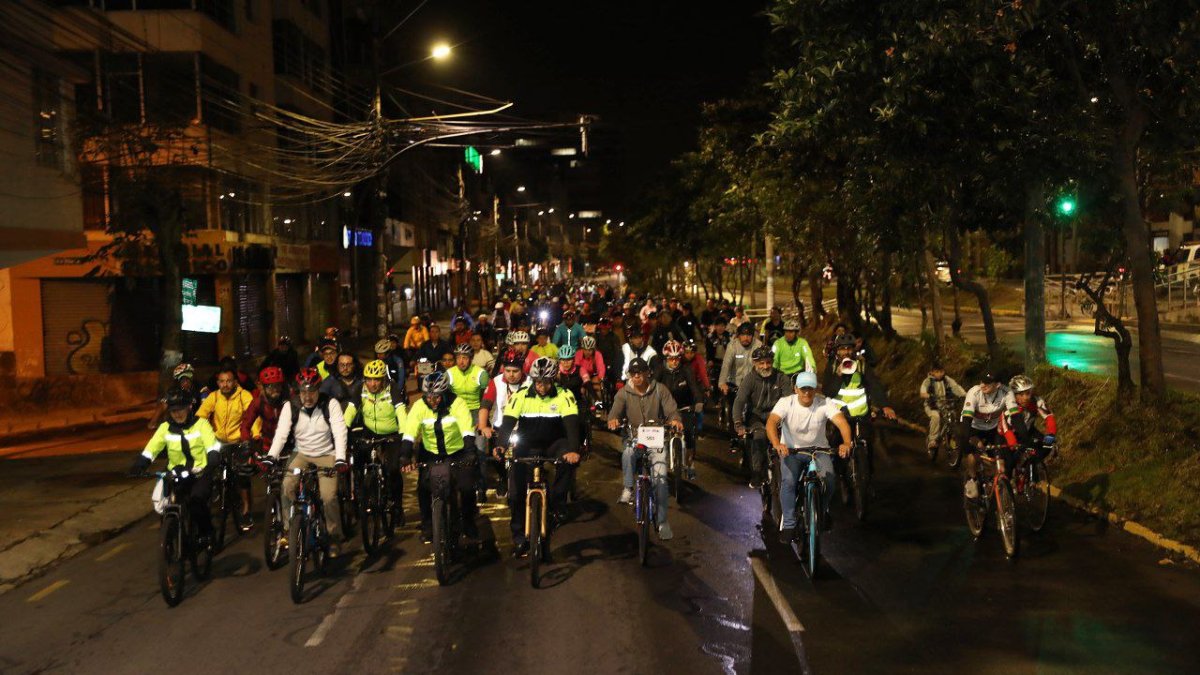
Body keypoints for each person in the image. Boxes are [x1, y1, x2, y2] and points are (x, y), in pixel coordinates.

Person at [496, 357, 582, 557]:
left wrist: (573, 450)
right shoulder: (520, 396)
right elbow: (507, 424)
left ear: (553, 380)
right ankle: (519, 538)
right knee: (516, 493)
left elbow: (571, 426)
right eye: (538, 382)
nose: (542, 387)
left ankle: (557, 502)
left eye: (546, 382)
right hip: (528, 445)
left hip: (554, 444)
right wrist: (500, 446)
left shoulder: (564, 395)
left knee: (568, 462)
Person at [261, 368, 348, 556]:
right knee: (286, 486)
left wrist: (340, 458)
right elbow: (281, 434)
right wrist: (271, 457)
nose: (307, 397)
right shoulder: (290, 406)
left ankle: (334, 536)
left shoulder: (330, 404)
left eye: (312, 392)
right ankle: (288, 529)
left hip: (326, 454)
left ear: (318, 389)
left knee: (328, 496)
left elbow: (340, 431)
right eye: (303, 392)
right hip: (301, 453)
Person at [765, 371, 853, 543]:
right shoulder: (786, 403)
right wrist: (777, 444)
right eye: (803, 388)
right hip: (792, 451)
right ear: (796, 389)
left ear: (815, 389)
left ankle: (823, 510)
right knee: (789, 482)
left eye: (810, 388)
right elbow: (771, 422)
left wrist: (847, 443)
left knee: (829, 481)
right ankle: (789, 524)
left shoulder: (824, 403)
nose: (807, 392)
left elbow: (841, 422)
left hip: (819, 451)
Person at [129, 387, 220, 548]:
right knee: (166, 503)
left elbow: (211, 445)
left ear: (190, 407)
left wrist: (212, 458)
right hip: (176, 472)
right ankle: (170, 535)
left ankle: (207, 533)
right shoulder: (165, 428)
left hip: (200, 472)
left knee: (197, 501)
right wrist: (140, 464)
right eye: (173, 410)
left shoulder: (201, 424)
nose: (177, 414)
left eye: (181, 409)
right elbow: (152, 449)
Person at [607, 357, 684, 540]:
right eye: (633, 374)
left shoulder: (660, 390)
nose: (636, 377)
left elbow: (672, 410)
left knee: (661, 481)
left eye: (640, 373)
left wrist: (675, 420)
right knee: (627, 452)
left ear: (647, 373)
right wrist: (613, 419)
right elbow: (614, 411)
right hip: (634, 438)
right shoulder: (623, 393)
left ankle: (663, 521)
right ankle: (628, 488)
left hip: (656, 440)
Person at [401, 372, 480, 543]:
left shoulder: (457, 403)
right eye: (428, 396)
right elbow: (409, 432)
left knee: (466, 487)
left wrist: (469, 452)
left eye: (436, 396)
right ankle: (428, 525)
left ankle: (468, 522)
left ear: (444, 393)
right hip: (430, 453)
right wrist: (405, 455)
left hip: (458, 452)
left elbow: (467, 429)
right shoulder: (419, 406)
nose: (432, 401)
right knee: (423, 488)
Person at [821, 333, 895, 481]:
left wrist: (885, 406)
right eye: (842, 349)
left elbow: (874, 385)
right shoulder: (832, 366)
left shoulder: (862, 365)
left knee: (868, 444)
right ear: (837, 351)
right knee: (836, 445)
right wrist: (838, 375)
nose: (846, 352)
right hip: (840, 416)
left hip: (861, 414)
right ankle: (841, 478)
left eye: (849, 349)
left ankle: (869, 476)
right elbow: (828, 391)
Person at [345, 359, 408, 522]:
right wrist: (343, 429)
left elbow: (401, 411)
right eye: (369, 379)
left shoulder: (391, 388)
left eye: (377, 379)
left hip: (391, 433)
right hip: (370, 432)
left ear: (383, 380)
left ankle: (397, 505)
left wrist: (403, 434)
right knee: (357, 461)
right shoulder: (360, 388)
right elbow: (351, 410)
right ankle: (362, 495)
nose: (372, 384)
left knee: (393, 469)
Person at [197, 364, 258, 531]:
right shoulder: (214, 397)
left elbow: (253, 416)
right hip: (218, 441)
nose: (225, 385)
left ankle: (246, 509)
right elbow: (201, 416)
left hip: (238, 441)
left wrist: (254, 435)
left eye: (229, 381)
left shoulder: (243, 396)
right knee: (207, 471)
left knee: (241, 476)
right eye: (222, 381)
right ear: (217, 382)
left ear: (235, 382)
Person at [734, 347, 794, 497]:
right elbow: (739, 401)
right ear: (755, 363)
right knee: (759, 437)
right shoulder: (749, 379)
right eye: (761, 363)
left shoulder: (782, 378)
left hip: (777, 417)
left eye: (768, 362)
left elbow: (790, 400)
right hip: (756, 417)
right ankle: (757, 474)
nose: (765, 366)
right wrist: (738, 423)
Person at [479, 349, 528, 498]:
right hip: (501, 428)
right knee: (496, 456)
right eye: (508, 371)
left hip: (523, 428)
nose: (511, 375)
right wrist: (483, 426)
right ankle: (502, 478)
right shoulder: (496, 382)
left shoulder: (531, 382)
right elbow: (485, 406)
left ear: (522, 369)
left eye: (515, 371)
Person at [446, 343, 490, 501]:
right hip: (456, 413)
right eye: (458, 358)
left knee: (479, 450)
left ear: (471, 359)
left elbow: (486, 399)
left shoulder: (480, 374)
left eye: (464, 358)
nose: (461, 361)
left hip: (476, 413)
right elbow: (445, 398)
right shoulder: (449, 374)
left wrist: (483, 420)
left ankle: (481, 487)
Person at [655, 341, 704, 480]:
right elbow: (651, 389)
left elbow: (694, 387)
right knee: (657, 436)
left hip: (684, 407)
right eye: (671, 358)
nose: (674, 361)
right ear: (666, 358)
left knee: (689, 434)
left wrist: (699, 401)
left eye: (677, 358)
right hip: (664, 410)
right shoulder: (659, 370)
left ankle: (689, 464)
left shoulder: (686, 369)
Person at [960, 371, 1011, 500]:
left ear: (998, 384)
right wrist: (966, 442)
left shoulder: (1006, 392)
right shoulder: (974, 392)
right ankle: (972, 479)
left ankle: (994, 485)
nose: (982, 385)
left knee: (999, 463)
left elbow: (1015, 416)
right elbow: (966, 419)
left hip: (992, 429)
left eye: (987, 383)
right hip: (973, 428)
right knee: (976, 452)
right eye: (981, 382)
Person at [999, 374, 1057, 461]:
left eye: (1028, 393)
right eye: (1021, 395)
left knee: (1047, 446)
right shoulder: (1008, 406)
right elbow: (1006, 429)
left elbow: (1049, 417)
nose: (1025, 398)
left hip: (1029, 431)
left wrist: (1051, 434)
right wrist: (1014, 445)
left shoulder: (1036, 401)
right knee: (1010, 464)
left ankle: (1034, 466)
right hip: (1008, 435)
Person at [919, 361, 967, 453]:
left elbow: (956, 387)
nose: (940, 374)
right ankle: (932, 440)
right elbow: (922, 392)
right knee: (936, 416)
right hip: (931, 405)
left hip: (945, 404)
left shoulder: (947, 379)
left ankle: (950, 436)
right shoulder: (928, 381)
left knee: (953, 416)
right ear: (932, 372)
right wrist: (928, 395)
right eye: (937, 372)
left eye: (941, 371)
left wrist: (964, 395)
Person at [241, 366, 288, 456]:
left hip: (289, 446)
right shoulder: (258, 403)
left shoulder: (289, 401)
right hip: (268, 446)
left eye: (277, 385)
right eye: (270, 386)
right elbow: (245, 425)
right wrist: (246, 442)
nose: (275, 390)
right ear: (263, 387)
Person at [148, 362, 203, 430]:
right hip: (179, 422)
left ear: (191, 378)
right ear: (178, 381)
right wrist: (153, 421)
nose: (185, 382)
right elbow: (163, 405)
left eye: (187, 378)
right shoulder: (174, 391)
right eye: (182, 380)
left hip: (198, 421)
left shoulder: (199, 388)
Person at [719, 322, 760, 397]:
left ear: (752, 336)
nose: (746, 338)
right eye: (743, 335)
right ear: (738, 336)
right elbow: (726, 364)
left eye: (748, 335)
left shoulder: (758, 345)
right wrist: (722, 383)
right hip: (734, 385)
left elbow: (762, 365)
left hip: (752, 386)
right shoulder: (732, 346)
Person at [595, 318, 623, 391]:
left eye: (605, 329)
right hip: (600, 362)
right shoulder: (597, 336)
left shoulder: (614, 337)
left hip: (612, 362)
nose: (603, 331)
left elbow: (618, 352)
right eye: (602, 329)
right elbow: (595, 350)